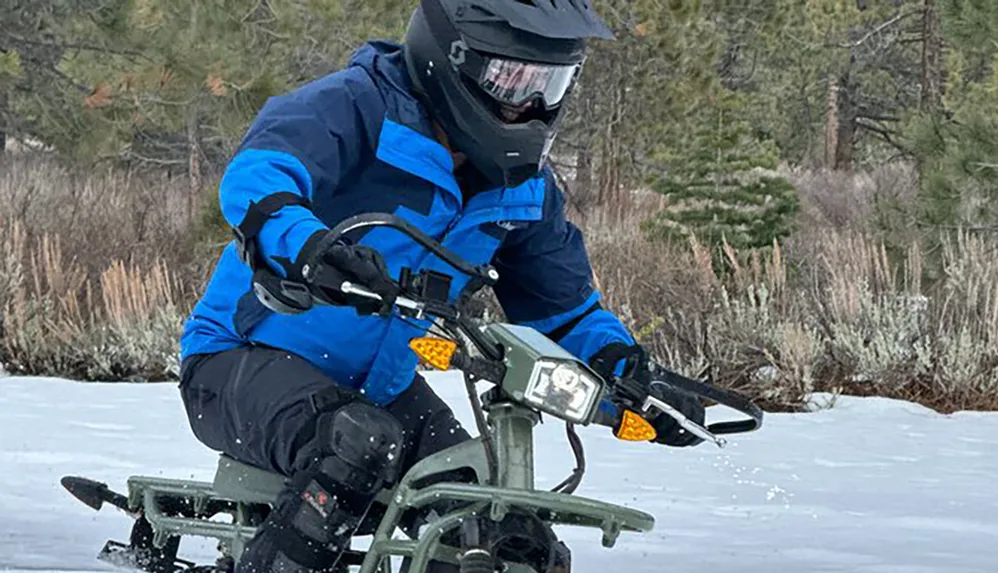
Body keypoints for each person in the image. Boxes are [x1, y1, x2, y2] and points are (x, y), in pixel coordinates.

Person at [176, 0, 706, 572]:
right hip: (236, 361)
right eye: (510, 78)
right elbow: (259, 176)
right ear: (447, 58)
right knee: (357, 441)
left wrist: (629, 371)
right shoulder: (357, 106)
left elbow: (567, 312)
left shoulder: (523, 191)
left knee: (477, 500)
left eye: (549, 86)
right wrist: (310, 247)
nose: (528, 103)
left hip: (379, 389)